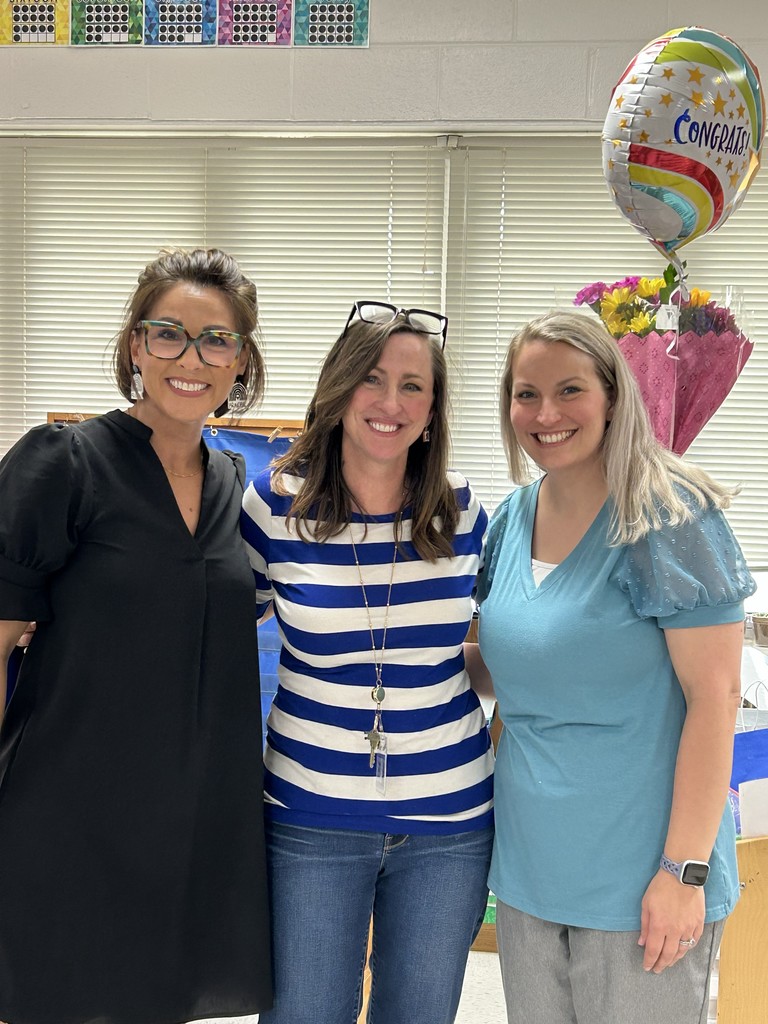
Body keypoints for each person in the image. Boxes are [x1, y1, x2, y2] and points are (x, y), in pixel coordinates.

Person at [0, 247, 273, 1024]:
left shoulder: (232, 487)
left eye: (216, 340)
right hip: (68, 816)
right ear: (135, 346)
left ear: (240, 360)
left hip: (188, 828)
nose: (191, 359)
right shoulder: (63, 463)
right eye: (168, 335)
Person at [475, 311, 756, 1024]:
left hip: (644, 878)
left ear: (612, 395)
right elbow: (517, 668)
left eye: (570, 390)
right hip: (531, 871)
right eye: (525, 393)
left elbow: (716, 698)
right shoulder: (511, 519)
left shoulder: (668, 516)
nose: (546, 414)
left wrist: (682, 873)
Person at [240, 301, 494, 1024]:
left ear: (434, 405)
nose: (391, 403)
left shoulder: (465, 512)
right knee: (303, 1013)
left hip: (450, 822)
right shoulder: (271, 508)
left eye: (414, 386)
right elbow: (209, 630)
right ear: (338, 388)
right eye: (373, 380)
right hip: (309, 816)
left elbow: (493, 647)